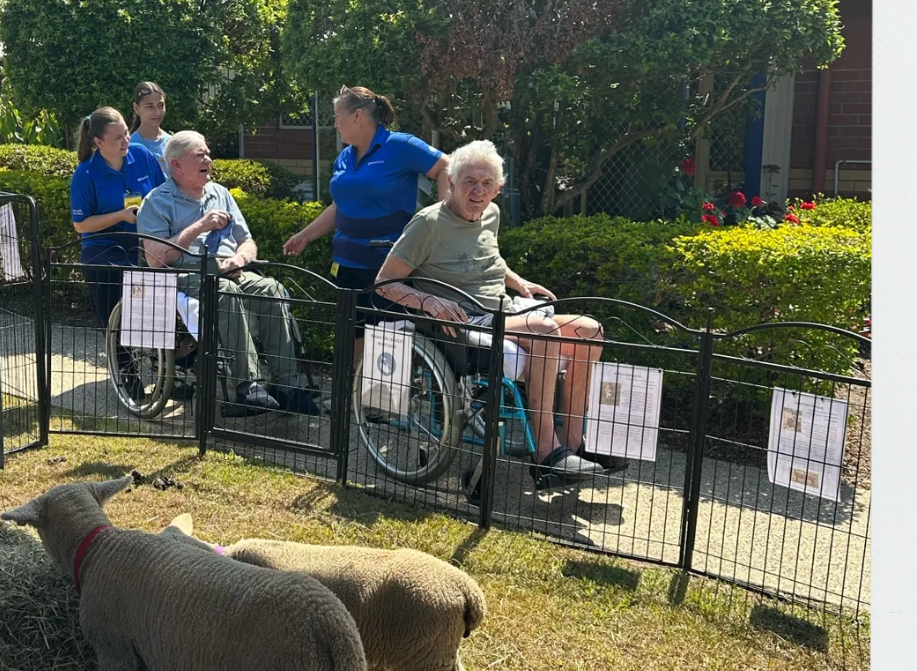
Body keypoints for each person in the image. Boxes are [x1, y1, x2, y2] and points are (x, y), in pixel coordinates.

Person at [372, 139, 626, 490]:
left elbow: (489, 257)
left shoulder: (490, 213)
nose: (478, 191)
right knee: (543, 329)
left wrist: (519, 282)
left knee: (590, 330)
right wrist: (428, 302)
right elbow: (384, 282)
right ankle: (546, 453)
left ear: (499, 188)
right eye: (470, 182)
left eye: (487, 184)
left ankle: (573, 443)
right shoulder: (428, 224)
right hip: (463, 321)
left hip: (502, 310)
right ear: (451, 181)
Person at [137, 130, 317, 416]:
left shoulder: (220, 194)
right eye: (200, 154)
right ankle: (249, 386)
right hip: (186, 274)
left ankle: (288, 386)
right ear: (176, 165)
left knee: (270, 288)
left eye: (208, 153)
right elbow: (155, 259)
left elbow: (247, 241)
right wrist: (199, 226)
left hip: (230, 269)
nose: (208, 159)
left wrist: (240, 258)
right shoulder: (157, 201)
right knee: (224, 291)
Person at [282, 86, 450, 309]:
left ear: (357, 116)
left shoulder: (400, 145)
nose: (334, 124)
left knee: (387, 340)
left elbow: (447, 167)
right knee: (351, 338)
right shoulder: (343, 156)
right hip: (345, 265)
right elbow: (338, 206)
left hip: (387, 268)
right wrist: (305, 236)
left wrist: (440, 218)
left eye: (337, 117)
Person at [69, 107, 165, 382]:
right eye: (117, 138)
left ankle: (167, 367)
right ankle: (126, 372)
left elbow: (162, 194)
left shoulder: (142, 156)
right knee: (111, 303)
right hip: (103, 247)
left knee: (159, 292)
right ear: (98, 142)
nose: (126, 142)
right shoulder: (85, 174)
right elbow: (81, 225)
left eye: (126, 133)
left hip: (143, 241)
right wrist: (120, 216)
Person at [128, 81, 171, 180]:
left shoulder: (172, 142)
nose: (157, 112)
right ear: (136, 108)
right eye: (150, 107)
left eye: (161, 105)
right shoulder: (130, 146)